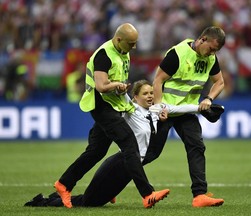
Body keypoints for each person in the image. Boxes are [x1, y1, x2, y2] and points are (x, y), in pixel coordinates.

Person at [26, 79, 216, 207]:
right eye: (145, 93)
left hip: (130, 169)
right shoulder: (129, 109)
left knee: (93, 201)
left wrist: (205, 106)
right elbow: (117, 100)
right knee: (89, 203)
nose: (150, 96)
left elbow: (181, 107)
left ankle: (52, 199)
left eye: (151, 92)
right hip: (118, 165)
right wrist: (118, 87)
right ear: (135, 97)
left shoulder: (158, 109)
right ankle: (43, 201)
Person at [53, 23, 170, 209]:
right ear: (118, 39)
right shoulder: (103, 55)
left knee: (96, 151)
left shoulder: (124, 52)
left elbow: (115, 81)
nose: (134, 47)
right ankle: (147, 194)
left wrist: (120, 88)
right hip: (101, 106)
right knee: (129, 144)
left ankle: (64, 184)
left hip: (113, 105)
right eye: (131, 43)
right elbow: (100, 86)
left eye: (135, 43)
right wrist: (116, 85)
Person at [151, 26, 226, 207]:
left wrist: (208, 98)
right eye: (211, 49)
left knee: (196, 146)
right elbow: (158, 80)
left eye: (215, 51)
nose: (212, 54)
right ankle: (110, 186)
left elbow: (220, 82)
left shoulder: (210, 58)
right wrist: (159, 107)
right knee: (149, 153)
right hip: (166, 110)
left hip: (186, 111)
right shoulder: (177, 54)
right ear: (202, 39)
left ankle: (200, 195)